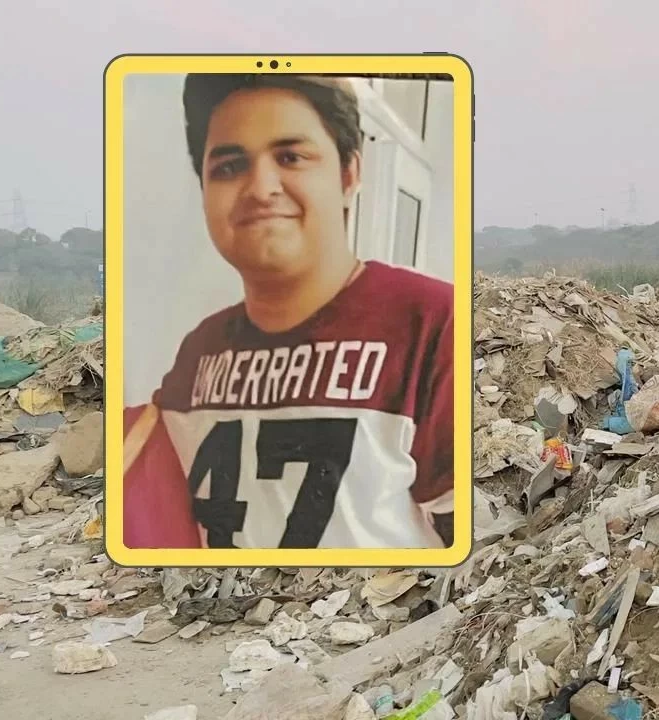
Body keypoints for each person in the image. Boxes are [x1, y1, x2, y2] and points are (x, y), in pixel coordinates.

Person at [123, 74, 455, 550]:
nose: (261, 188)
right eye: (229, 166)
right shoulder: (199, 350)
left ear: (348, 175)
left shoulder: (432, 324)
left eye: (291, 157)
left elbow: (474, 555)